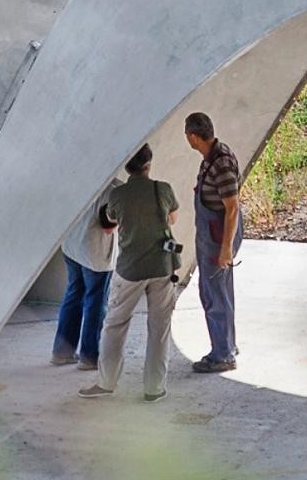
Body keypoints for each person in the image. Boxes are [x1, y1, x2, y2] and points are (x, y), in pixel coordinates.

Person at [79, 144, 182, 403]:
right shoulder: (163, 189)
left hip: (130, 269)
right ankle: (154, 388)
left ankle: (106, 382)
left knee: (115, 325)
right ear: (149, 164)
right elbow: (173, 219)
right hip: (162, 266)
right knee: (159, 329)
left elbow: (110, 222)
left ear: (127, 166)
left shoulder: (118, 195)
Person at [184, 111, 242, 372]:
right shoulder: (211, 157)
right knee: (220, 291)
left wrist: (226, 249)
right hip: (213, 234)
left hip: (218, 237)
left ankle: (222, 355)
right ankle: (227, 344)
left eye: (188, 136)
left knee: (213, 294)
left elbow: (232, 208)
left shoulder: (221, 163)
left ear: (194, 137)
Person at [50, 173, 122, 370]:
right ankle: (89, 356)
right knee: (96, 304)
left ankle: (61, 352)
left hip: (72, 247)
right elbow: (108, 228)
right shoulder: (115, 190)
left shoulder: (78, 176)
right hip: (95, 254)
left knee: (73, 295)